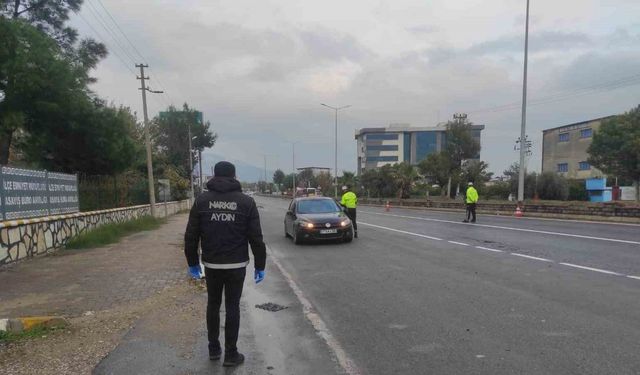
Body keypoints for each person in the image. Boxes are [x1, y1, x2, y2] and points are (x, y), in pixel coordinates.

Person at [184, 161, 267, 367]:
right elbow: (256, 237)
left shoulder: (201, 201)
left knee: (213, 304)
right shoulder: (246, 202)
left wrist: (193, 263)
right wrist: (260, 265)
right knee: (232, 306)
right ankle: (231, 354)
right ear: (234, 176)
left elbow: (191, 236)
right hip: (236, 265)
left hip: (211, 265)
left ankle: (213, 349)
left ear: (214, 175)